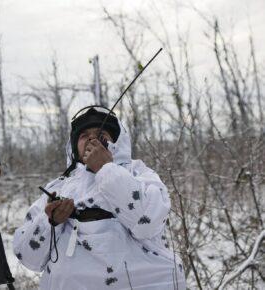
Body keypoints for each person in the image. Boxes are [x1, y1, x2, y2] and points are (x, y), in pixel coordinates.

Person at [13, 106, 186, 289]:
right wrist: (50, 222)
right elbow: (29, 258)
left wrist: (106, 169)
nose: (92, 138)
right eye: (84, 135)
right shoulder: (59, 187)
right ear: (74, 146)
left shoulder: (139, 174)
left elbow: (148, 223)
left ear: (115, 141)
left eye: (100, 133)